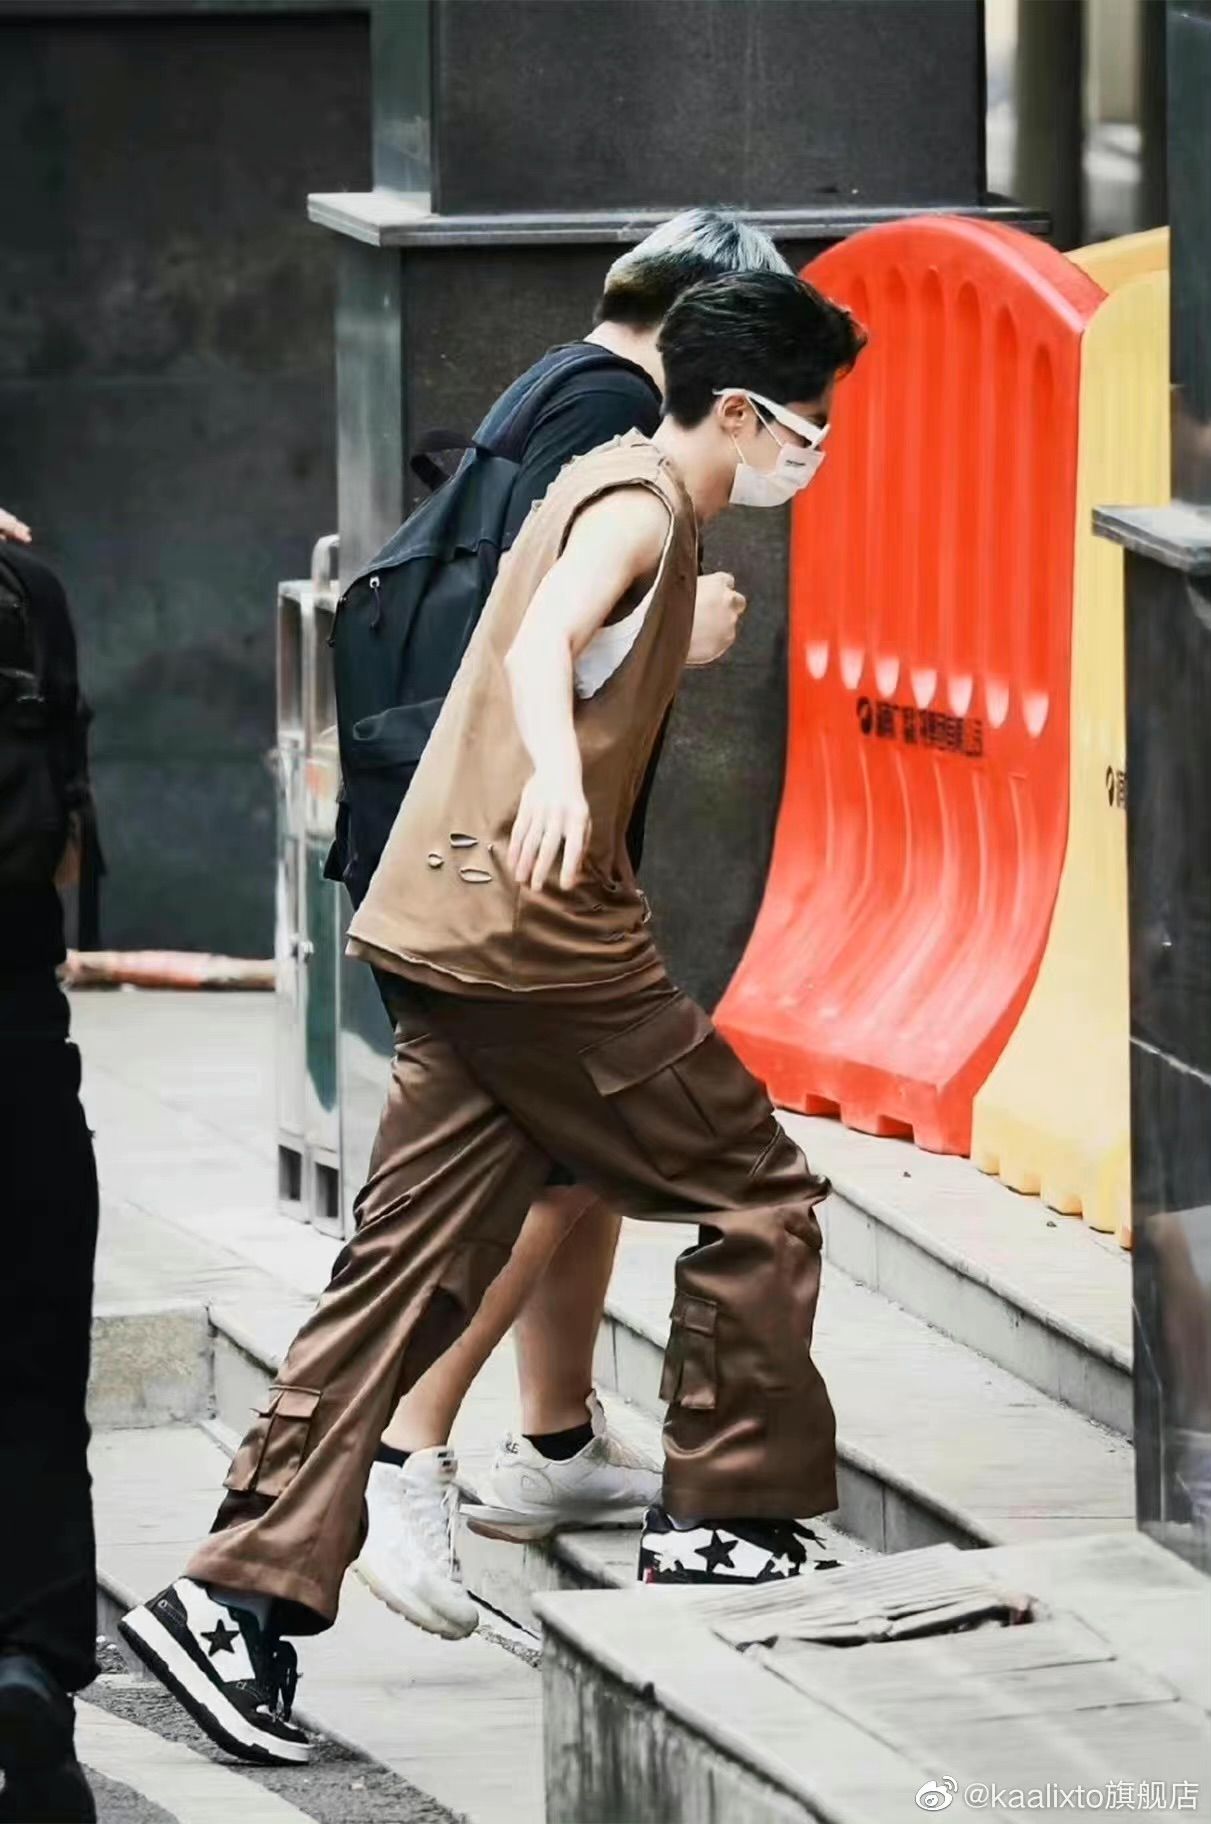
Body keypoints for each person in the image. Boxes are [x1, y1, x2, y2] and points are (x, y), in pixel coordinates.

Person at [120, 269, 865, 1767]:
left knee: (399, 1275)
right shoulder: (644, 506)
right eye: (811, 423)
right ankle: (727, 1524)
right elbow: (537, 650)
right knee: (758, 1194)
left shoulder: (613, 475)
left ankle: (232, 1597)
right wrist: (567, 783)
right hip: (544, 951)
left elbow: (568, 643)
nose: (816, 449)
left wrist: (654, 666)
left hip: (447, 928)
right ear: (740, 411)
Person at [357, 210, 794, 1636]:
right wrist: (680, 633)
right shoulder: (621, 428)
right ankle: (407, 1452)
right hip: (510, 863)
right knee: (552, 1168)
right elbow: (546, 635)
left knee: (574, 1157)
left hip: (492, 846)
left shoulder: (559, 378)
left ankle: (549, 1442)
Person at [0, 517, 99, 1823]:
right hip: (19, 1032)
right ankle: (28, 1662)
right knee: (33, 1376)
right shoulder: (28, 585)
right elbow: (66, 833)